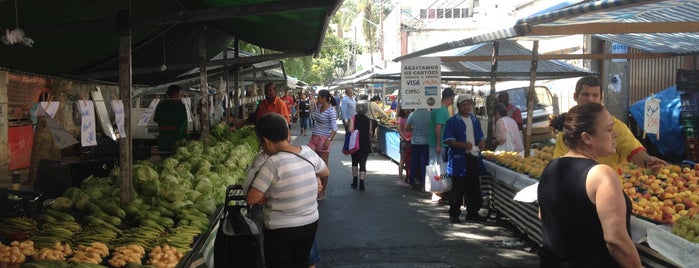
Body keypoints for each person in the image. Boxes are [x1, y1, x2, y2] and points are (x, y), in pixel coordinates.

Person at [538, 103, 642, 267]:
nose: (615, 134)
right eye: (608, 129)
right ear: (587, 138)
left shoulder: (551, 168)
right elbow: (616, 240)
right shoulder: (602, 175)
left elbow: (543, 216)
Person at [246, 113, 329, 268]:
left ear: (265, 141)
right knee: (302, 262)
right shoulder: (308, 152)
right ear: (287, 134)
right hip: (310, 223)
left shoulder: (272, 163)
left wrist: (265, 192)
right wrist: (314, 177)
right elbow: (325, 172)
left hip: (281, 230)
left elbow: (251, 198)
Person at [553, 76, 666, 173]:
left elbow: (632, 149)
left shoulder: (615, 125)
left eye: (595, 95)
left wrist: (647, 161)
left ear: (601, 99)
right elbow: (559, 165)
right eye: (585, 94)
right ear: (575, 96)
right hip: (578, 188)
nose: (590, 99)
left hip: (608, 189)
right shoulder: (568, 127)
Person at [443, 94, 487, 223]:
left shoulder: (474, 120)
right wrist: (463, 145)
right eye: (464, 105)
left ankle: (473, 212)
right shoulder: (452, 121)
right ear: (458, 106)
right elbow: (449, 141)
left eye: (469, 105)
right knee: (458, 188)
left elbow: (480, 136)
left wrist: (481, 142)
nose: (467, 107)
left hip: (472, 157)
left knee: (473, 186)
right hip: (458, 159)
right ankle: (454, 214)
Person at [308, 89, 338, 200]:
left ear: (324, 98)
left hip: (323, 139)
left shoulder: (331, 111)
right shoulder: (319, 107)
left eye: (319, 97)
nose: (317, 99)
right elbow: (313, 117)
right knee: (311, 162)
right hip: (314, 138)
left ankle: (322, 192)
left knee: (323, 166)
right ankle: (315, 187)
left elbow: (334, 129)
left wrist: (328, 140)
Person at [153, 85, 188, 151]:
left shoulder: (161, 105)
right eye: (180, 94)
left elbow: (156, 119)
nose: (181, 96)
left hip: (164, 142)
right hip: (179, 142)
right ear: (175, 93)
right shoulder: (181, 106)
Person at [348, 100, 373, 191]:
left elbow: (350, 129)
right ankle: (362, 184)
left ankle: (355, 181)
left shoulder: (353, 117)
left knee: (354, 162)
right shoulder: (368, 119)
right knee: (363, 163)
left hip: (355, 143)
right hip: (365, 143)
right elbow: (370, 133)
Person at [405, 108, 431, 190]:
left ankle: (411, 183)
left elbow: (407, 128)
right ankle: (424, 185)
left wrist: (415, 129)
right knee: (424, 163)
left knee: (414, 163)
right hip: (427, 142)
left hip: (415, 142)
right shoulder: (430, 114)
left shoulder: (413, 114)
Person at [396, 107, 413, 187]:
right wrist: (405, 138)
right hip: (404, 141)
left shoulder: (412, 117)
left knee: (411, 160)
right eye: (406, 109)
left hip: (412, 141)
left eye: (409, 108)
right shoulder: (400, 118)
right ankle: (400, 178)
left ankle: (410, 177)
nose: (408, 110)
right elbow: (399, 130)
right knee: (402, 160)